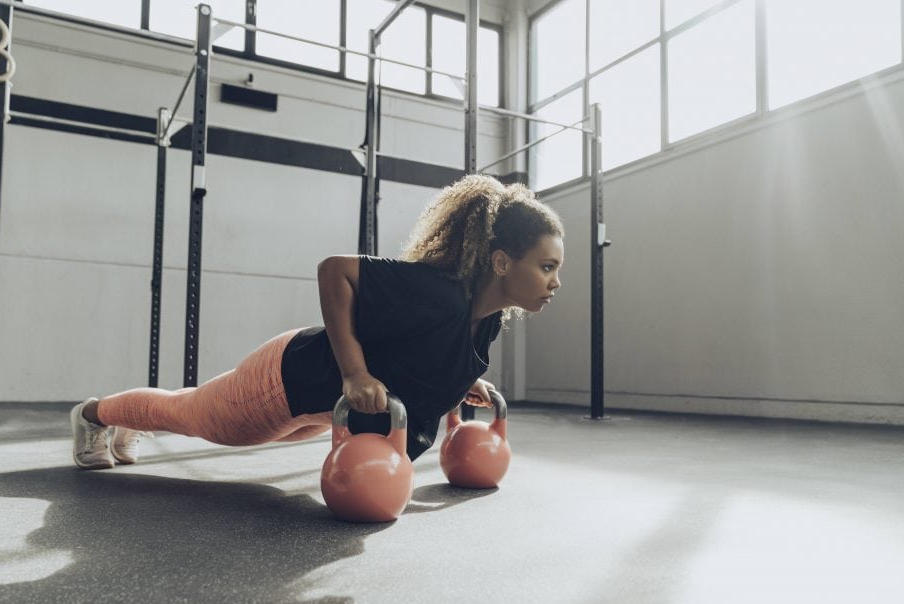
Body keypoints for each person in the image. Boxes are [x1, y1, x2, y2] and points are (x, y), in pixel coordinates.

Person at [70, 174, 564, 469]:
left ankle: (122, 421)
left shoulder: (486, 321)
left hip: (316, 406)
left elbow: (421, 352)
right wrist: (355, 373)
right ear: (501, 263)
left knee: (189, 409)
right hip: (285, 380)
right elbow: (336, 271)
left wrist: (463, 379)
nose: (554, 282)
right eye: (546, 267)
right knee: (190, 415)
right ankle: (95, 415)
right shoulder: (437, 291)